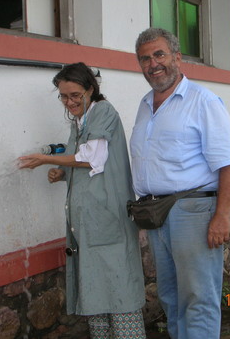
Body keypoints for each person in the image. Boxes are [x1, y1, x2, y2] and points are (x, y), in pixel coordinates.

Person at [130, 28, 230, 339]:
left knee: (198, 295)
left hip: (194, 211)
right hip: (157, 213)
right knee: (170, 295)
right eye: (144, 59)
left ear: (177, 57)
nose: (152, 64)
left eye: (159, 55)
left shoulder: (202, 101)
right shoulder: (145, 104)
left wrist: (222, 215)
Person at [19, 62, 146, 339]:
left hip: (108, 221)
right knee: (95, 292)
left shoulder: (103, 112)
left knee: (119, 291)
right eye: (63, 96)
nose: (69, 102)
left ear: (90, 89)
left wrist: (46, 159)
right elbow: (84, 161)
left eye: (75, 95)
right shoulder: (80, 121)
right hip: (88, 225)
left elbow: (92, 158)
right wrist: (62, 173)